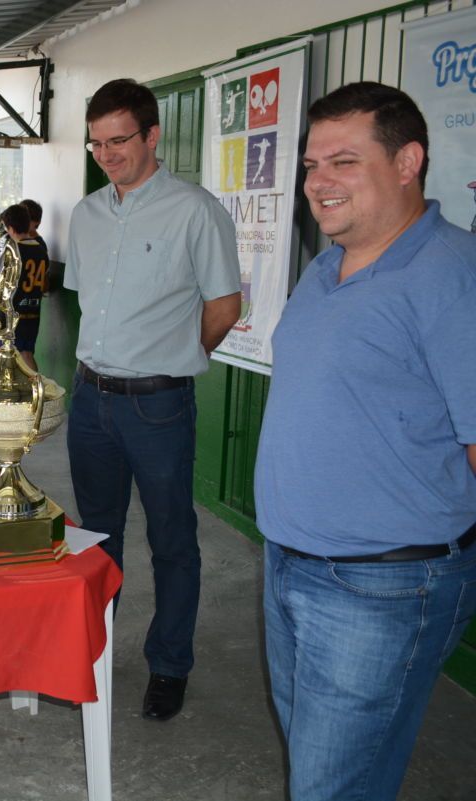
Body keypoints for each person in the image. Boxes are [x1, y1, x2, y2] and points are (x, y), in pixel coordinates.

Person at [255, 82, 476, 801]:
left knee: (330, 788)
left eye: (344, 160)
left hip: (381, 585)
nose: (319, 181)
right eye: (313, 163)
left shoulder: (451, 273)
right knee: (331, 775)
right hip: (291, 562)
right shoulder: (327, 264)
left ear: (408, 160)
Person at [64, 78, 241, 722]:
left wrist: (174, 355)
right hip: (91, 403)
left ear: (153, 135)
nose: (107, 154)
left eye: (119, 140)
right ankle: (95, 648)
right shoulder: (85, 214)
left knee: (172, 540)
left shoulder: (195, 211)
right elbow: (87, 300)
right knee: (95, 538)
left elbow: (224, 306)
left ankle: (169, 664)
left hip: (158, 407)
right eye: (97, 143)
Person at [0, 204, 46, 371]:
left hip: (11, 313)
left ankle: (13, 390)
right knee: (26, 353)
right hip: (33, 312)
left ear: (10, 228)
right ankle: (35, 391)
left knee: (8, 353)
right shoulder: (40, 250)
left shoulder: (12, 252)